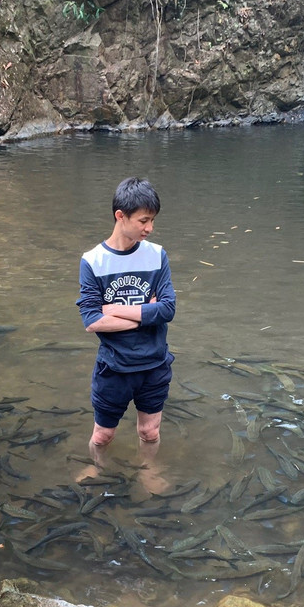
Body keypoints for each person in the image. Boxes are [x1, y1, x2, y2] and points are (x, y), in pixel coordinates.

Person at [77, 177, 176, 484]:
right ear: (120, 216)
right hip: (114, 367)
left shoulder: (157, 255)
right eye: (143, 220)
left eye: (152, 221)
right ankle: (98, 467)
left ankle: (148, 471)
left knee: (150, 431)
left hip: (155, 364)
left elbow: (168, 310)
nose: (149, 228)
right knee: (103, 434)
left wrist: (115, 308)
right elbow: (92, 321)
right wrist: (147, 312)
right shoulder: (93, 261)